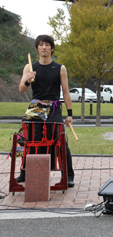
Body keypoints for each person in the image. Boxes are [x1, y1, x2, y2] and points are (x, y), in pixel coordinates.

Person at [16, 35, 75, 187]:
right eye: (41, 45)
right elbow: (21, 89)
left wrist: (69, 114)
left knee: (60, 139)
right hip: (36, 106)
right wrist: (28, 80)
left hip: (54, 106)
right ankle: (24, 171)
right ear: (37, 48)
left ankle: (68, 175)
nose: (44, 47)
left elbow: (66, 92)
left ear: (52, 48)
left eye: (47, 45)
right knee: (27, 138)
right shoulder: (30, 67)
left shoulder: (60, 68)